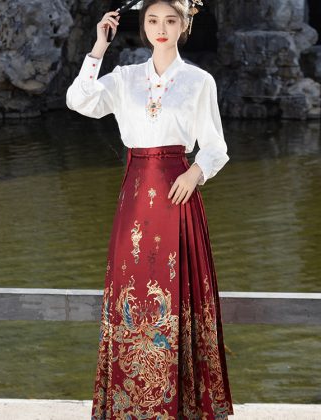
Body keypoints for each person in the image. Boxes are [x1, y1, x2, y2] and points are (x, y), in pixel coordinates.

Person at [66, 0, 234, 418]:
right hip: (136, 198)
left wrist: (195, 173)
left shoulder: (199, 81)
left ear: (184, 25)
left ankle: (185, 407)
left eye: (171, 20)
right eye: (153, 20)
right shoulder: (125, 78)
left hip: (178, 195)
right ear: (143, 26)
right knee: (132, 294)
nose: (161, 28)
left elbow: (216, 146)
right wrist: (99, 48)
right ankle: (131, 404)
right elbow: (78, 100)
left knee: (181, 294)